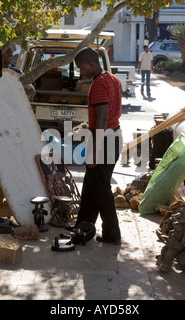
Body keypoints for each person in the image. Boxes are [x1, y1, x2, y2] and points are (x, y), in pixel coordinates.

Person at [73, 47, 123, 245]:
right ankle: (82, 227)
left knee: (101, 189)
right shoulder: (112, 79)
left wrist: (93, 151)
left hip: (104, 139)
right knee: (92, 185)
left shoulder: (98, 85)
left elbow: (102, 119)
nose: (80, 72)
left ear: (90, 64)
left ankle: (112, 234)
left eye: (81, 68)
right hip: (113, 136)